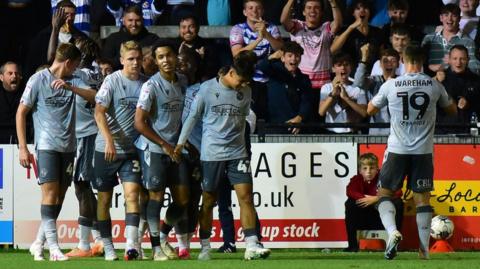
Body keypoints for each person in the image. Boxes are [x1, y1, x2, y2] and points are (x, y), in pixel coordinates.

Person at [173, 51, 271, 261]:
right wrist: (180, 144)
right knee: (208, 201)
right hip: (212, 154)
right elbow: (192, 118)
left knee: (246, 197)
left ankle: (252, 245)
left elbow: (243, 119)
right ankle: (205, 246)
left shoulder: (245, 91)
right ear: (231, 73)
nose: (243, 85)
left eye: (246, 81)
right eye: (241, 80)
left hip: (238, 152)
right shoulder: (207, 90)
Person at [367, 45, 457, 260]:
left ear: (402, 59)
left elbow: (370, 110)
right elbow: (452, 110)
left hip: (397, 149)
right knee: (423, 201)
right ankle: (424, 251)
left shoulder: (391, 85)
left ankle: (392, 232)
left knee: (384, 194)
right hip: (423, 152)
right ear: (422, 60)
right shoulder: (434, 85)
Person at [17, 43, 95, 261]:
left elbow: (95, 97)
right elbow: (21, 112)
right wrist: (23, 147)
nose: (76, 69)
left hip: (69, 146)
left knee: (58, 197)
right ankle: (54, 249)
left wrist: (71, 88)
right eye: (75, 65)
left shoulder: (74, 79)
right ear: (68, 62)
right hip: (46, 145)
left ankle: (38, 242)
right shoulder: (38, 80)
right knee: (50, 195)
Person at [134, 41, 189, 261]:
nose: (165, 60)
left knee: (183, 200)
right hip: (154, 148)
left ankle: (164, 235)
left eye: (168, 55)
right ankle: (156, 248)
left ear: (176, 57)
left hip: (175, 149)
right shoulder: (150, 86)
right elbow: (139, 123)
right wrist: (164, 145)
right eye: (160, 57)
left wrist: (184, 144)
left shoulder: (183, 81)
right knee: (155, 196)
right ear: (155, 62)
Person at [93, 40, 146, 261]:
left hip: (131, 151)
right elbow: (98, 112)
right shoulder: (112, 81)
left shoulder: (147, 83)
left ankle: (131, 245)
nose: (135, 63)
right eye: (130, 59)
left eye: (138, 59)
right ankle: (108, 246)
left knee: (133, 196)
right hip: (106, 149)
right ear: (122, 60)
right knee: (104, 200)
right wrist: (109, 140)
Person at [65, 37, 104, 258]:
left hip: (86, 135)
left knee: (81, 186)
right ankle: (99, 239)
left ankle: (84, 245)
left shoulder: (81, 75)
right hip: (87, 133)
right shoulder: (95, 72)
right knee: (86, 188)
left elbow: (96, 96)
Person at [280, 0, 341, 129]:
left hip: (323, 85)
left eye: (316, 8)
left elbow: (338, 23)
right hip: (302, 84)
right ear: (303, 11)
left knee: (320, 124)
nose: (312, 11)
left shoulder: (326, 27)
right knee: (301, 121)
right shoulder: (297, 26)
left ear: (322, 12)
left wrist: (333, 2)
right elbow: (284, 20)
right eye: (309, 7)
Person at [230, 0, 283, 120]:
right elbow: (237, 55)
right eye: (250, 8)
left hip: (269, 80)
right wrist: (259, 39)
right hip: (247, 81)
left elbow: (281, 49)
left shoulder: (272, 28)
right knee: (249, 119)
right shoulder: (238, 29)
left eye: (258, 8)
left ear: (263, 11)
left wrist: (266, 35)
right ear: (244, 12)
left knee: (269, 118)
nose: (254, 11)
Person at [344, 153, 403, 252]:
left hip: (382, 219)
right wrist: (365, 199)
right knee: (350, 203)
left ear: (377, 169)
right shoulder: (356, 179)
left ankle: (395, 244)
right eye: (365, 168)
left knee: (398, 203)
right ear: (360, 170)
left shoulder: (384, 178)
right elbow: (350, 191)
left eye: (371, 168)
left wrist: (376, 198)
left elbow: (398, 192)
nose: (368, 172)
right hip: (363, 219)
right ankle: (352, 246)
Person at [257, 41, 313, 134]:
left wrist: (300, 118)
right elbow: (262, 66)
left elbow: (306, 101)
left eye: (297, 56)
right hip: (274, 126)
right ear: (283, 58)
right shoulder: (275, 72)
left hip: (296, 127)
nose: (294, 59)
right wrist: (273, 56)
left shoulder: (304, 79)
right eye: (290, 56)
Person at [354, 44, 399, 135]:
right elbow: (358, 83)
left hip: (398, 133)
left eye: (393, 61)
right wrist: (364, 59)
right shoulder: (374, 81)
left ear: (398, 64)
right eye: (385, 61)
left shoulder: (402, 82)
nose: (389, 64)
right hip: (377, 133)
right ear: (380, 64)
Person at [422, 4, 480, 74]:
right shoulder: (429, 38)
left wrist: (452, 65)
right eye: (446, 15)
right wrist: (429, 67)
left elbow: (474, 69)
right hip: (431, 81)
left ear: (459, 19)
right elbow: (420, 62)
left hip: (458, 82)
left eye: (454, 16)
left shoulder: (468, 42)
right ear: (441, 18)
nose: (449, 19)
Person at [435, 45, 480, 133]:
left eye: (462, 59)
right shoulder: (440, 79)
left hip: (469, 132)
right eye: (455, 59)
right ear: (449, 60)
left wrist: (469, 104)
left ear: (468, 60)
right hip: (444, 133)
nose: (458, 63)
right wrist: (436, 81)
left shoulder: (476, 80)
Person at [319, 52, 368, 134]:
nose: (343, 68)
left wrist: (346, 98)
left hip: (351, 132)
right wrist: (333, 94)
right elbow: (321, 112)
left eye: (346, 64)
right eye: (339, 65)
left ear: (351, 67)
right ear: (333, 68)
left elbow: (364, 113)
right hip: (331, 132)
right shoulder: (326, 87)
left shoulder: (357, 87)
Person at [331, 0, 386, 71]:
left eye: (365, 8)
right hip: (350, 75)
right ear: (353, 13)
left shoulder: (377, 32)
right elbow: (333, 50)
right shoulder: (345, 30)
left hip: (372, 74)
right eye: (358, 8)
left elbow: (382, 54)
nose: (362, 10)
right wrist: (350, 28)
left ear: (369, 12)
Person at [101, 5, 160, 70]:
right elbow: (106, 64)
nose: (134, 24)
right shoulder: (113, 39)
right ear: (123, 21)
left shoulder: (153, 39)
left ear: (142, 21)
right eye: (130, 20)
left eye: (137, 20)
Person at [0, 61, 24, 144]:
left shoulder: (27, 93)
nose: (14, 76)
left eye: (16, 73)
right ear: (1, 77)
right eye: (10, 73)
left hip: (22, 142)